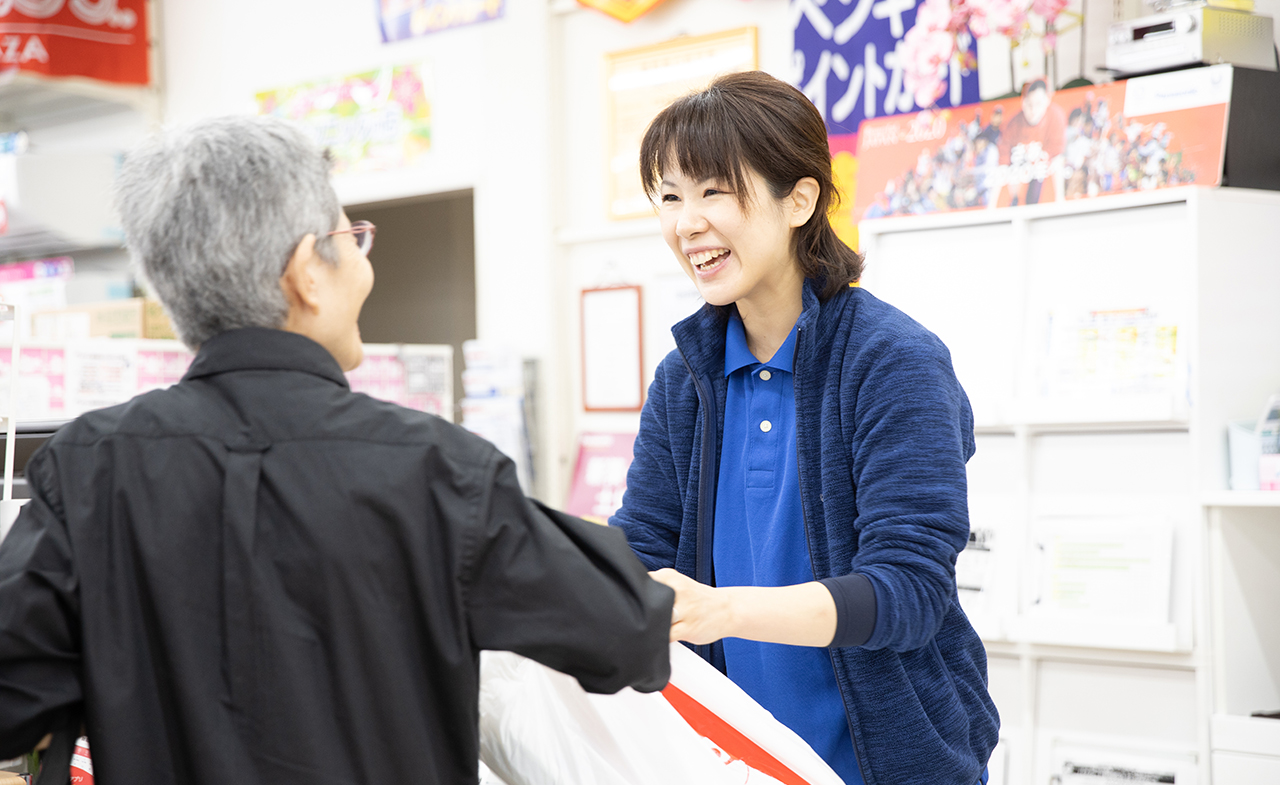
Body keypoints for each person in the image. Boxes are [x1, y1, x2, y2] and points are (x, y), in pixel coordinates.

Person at [0, 116, 673, 785]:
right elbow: (628, 630)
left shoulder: (85, 469)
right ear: (306, 273)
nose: (365, 264)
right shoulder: (436, 469)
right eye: (353, 239)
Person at [611, 70, 999, 785]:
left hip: (885, 765)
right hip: (729, 760)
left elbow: (908, 591)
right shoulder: (684, 378)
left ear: (800, 198)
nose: (686, 222)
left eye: (712, 191)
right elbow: (640, 546)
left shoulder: (893, 361)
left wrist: (718, 609)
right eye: (668, 197)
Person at [998, 78, 1067, 205]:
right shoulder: (1013, 124)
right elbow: (1004, 155)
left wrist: (1041, 160)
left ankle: (1060, 202)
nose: (1033, 110)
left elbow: (1057, 150)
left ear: (1047, 100)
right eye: (1029, 104)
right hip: (1021, 166)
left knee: (1057, 164)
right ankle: (1014, 201)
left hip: (1043, 163)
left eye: (1038, 104)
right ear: (1023, 102)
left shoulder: (1057, 116)